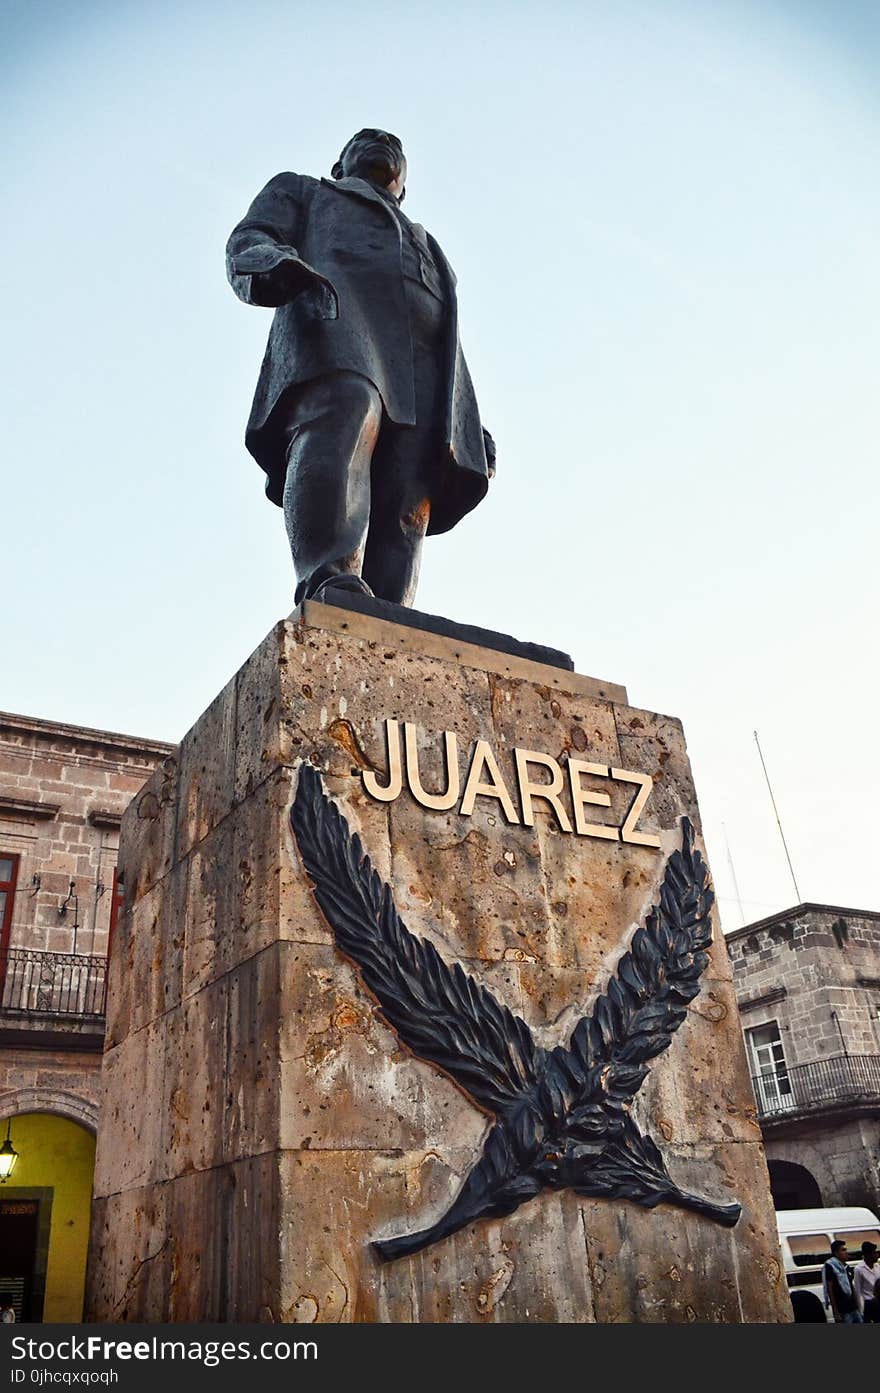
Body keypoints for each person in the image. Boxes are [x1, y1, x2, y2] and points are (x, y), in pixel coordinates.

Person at [227, 129, 496, 609]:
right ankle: (329, 577)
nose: (382, 143)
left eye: (396, 146)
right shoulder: (308, 191)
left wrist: (469, 422)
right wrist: (273, 264)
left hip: (422, 372)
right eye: (366, 140)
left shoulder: (428, 243)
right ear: (338, 166)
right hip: (338, 330)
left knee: (412, 486)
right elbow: (251, 238)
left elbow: (444, 332)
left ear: (404, 187)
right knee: (347, 414)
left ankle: (390, 613)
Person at [823, 1239, 863, 1323]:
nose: (846, 1252)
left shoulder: (846, 1267)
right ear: (836, 1253)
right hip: (842, 1309)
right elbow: (830, 1289)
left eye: (846, 1250)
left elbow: (852, 1286)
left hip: (853, 1307)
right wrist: (835, 1311)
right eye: (843, 1250)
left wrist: (858, 1305)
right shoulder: (830, 1266)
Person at [854, 1240, 879, 1322]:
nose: (877, 1255)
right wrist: (861, 1309)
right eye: (874, 1253)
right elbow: (858, 1291)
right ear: (867, 1255)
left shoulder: (877, 1266)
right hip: (868, 1303)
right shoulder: (859, 1269)